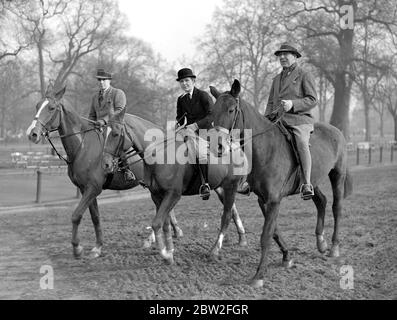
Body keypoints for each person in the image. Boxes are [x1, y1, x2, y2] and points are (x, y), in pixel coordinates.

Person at [265, 43, 317, 200]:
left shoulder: (304, 74)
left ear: (295, 56)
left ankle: (307, 184)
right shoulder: (276, 79)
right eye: (279, 55)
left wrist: (293, 104)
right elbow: (270, 103)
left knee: (301, 142)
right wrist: (265, 119)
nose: (282, 57)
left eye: (285, 54)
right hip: (277, 121)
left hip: (299, 120)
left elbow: (312, 100)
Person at [88, 68, 135, 181]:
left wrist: (103, 121)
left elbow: (119, 111)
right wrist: (91, 126)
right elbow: (91, 115)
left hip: (115, 127)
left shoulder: (118, 93)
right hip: (99, 129)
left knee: (117, 142)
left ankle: (127, 170)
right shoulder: (95, 97)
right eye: (99, 80)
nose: (101, 82)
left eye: (104, 80)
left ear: (109, 80)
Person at [175, 68, 213, 199]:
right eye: (182, 81)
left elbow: (211, 116)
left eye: (186, 81)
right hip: (188, 131)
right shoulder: (181, 99)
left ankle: (205, 184)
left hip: (204, 131)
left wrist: (195, 125)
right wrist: (179, 126)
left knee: (201, 153)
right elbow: (179, 117)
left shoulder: (203, 95)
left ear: (193, 81)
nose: (184, 83)